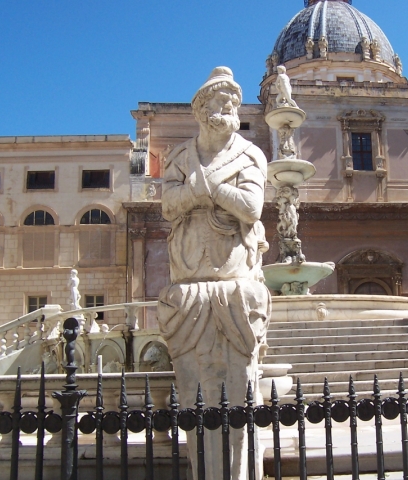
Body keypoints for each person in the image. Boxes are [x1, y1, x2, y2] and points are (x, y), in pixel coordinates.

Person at [157, 66, 270, 480]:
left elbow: (252, 208)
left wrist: (211, 190)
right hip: (188, 277)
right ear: (201, 110)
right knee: (194, 396)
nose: (227, 109)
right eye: (219, 103)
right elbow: (168, 206)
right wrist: (196, 191)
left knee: (239, 396)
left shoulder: (250, 155)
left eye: (232, 104)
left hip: (234, 279)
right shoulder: (180, 157)